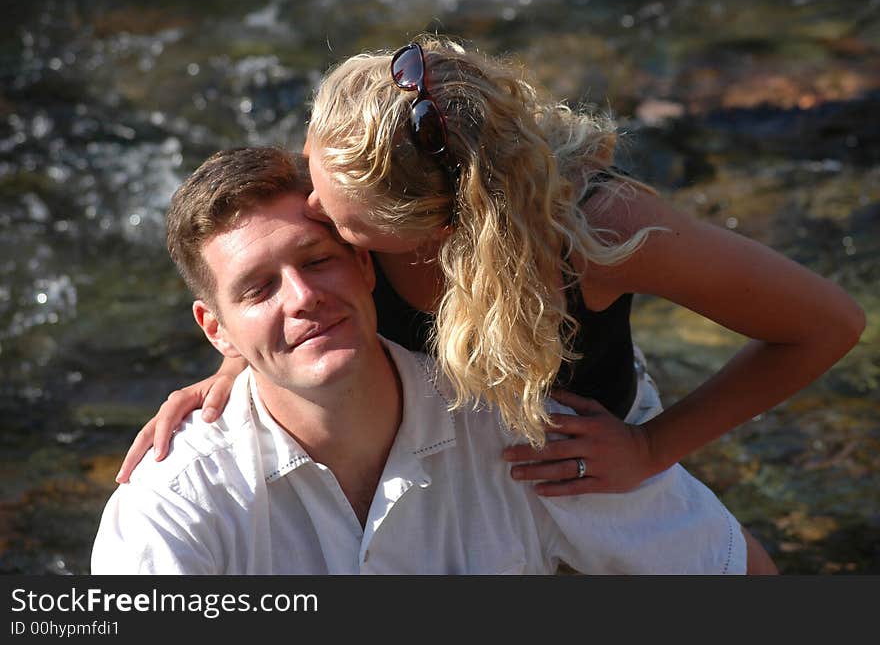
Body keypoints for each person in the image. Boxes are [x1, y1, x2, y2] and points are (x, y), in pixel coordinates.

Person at [116, 36, 863, 503]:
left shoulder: (600, 228)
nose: (310, 209)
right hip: (426, 462)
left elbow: (829, 325)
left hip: (571, 453)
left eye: (342, 229)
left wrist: (650, 449)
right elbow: (265, 268)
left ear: (436, 230)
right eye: (312, 168)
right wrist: (240, 362)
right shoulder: (359, 169)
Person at [92, 146, 771, 574]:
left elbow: (733, 569)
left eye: (316, 261)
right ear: (216, 330)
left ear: (365, 260)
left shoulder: (522, 434)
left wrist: (648, 446)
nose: (301, 298)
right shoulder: (173, 503)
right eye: (259, 287)